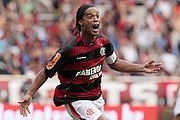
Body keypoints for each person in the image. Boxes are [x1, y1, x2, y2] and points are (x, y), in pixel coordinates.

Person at [18, 4, 163, 120]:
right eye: (90, 16)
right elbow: (46, 71)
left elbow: (115, 63)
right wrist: (29, 94)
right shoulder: (69, 49)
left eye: (97, 16)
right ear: (80, 22)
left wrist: (141, 68)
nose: (95, 19)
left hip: (97, 98)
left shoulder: (103, 42)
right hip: (76, 99)